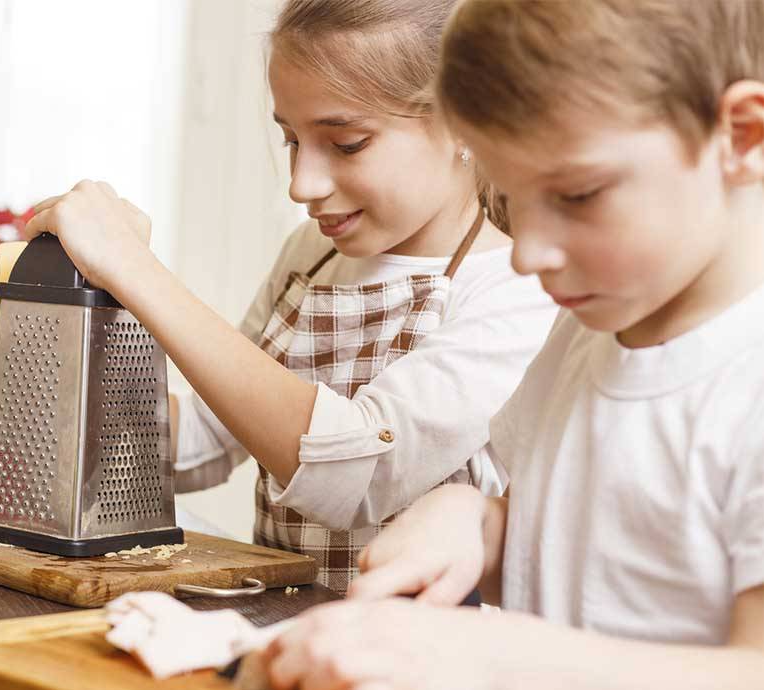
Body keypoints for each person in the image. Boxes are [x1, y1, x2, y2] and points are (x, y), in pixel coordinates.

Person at [263, 1, 764, 687]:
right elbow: (574, 540)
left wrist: (487, 654)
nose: (527, 252)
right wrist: (472, 519)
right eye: (512, 195)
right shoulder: (585, 334)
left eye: (578, 195)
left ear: (741, 134)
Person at [0, 0, 555, 592]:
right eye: (290, 141)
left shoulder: (516, 293)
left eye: (348, 143)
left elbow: (357, 474)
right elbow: (194, 441)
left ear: (465, 123)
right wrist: (57, 337)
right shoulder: (311, 255)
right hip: (281, 636)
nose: (302, 184)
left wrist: (137, 274)